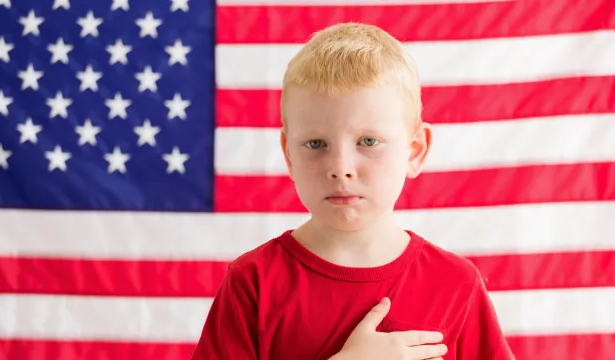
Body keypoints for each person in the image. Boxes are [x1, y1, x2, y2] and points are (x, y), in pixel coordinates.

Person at [191, 22, 515, 360]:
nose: (340, 166)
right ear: (289, 153)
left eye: (369, 141)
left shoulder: (455, 283)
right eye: (316, 143)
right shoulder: (254, 283)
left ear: (415, 150)